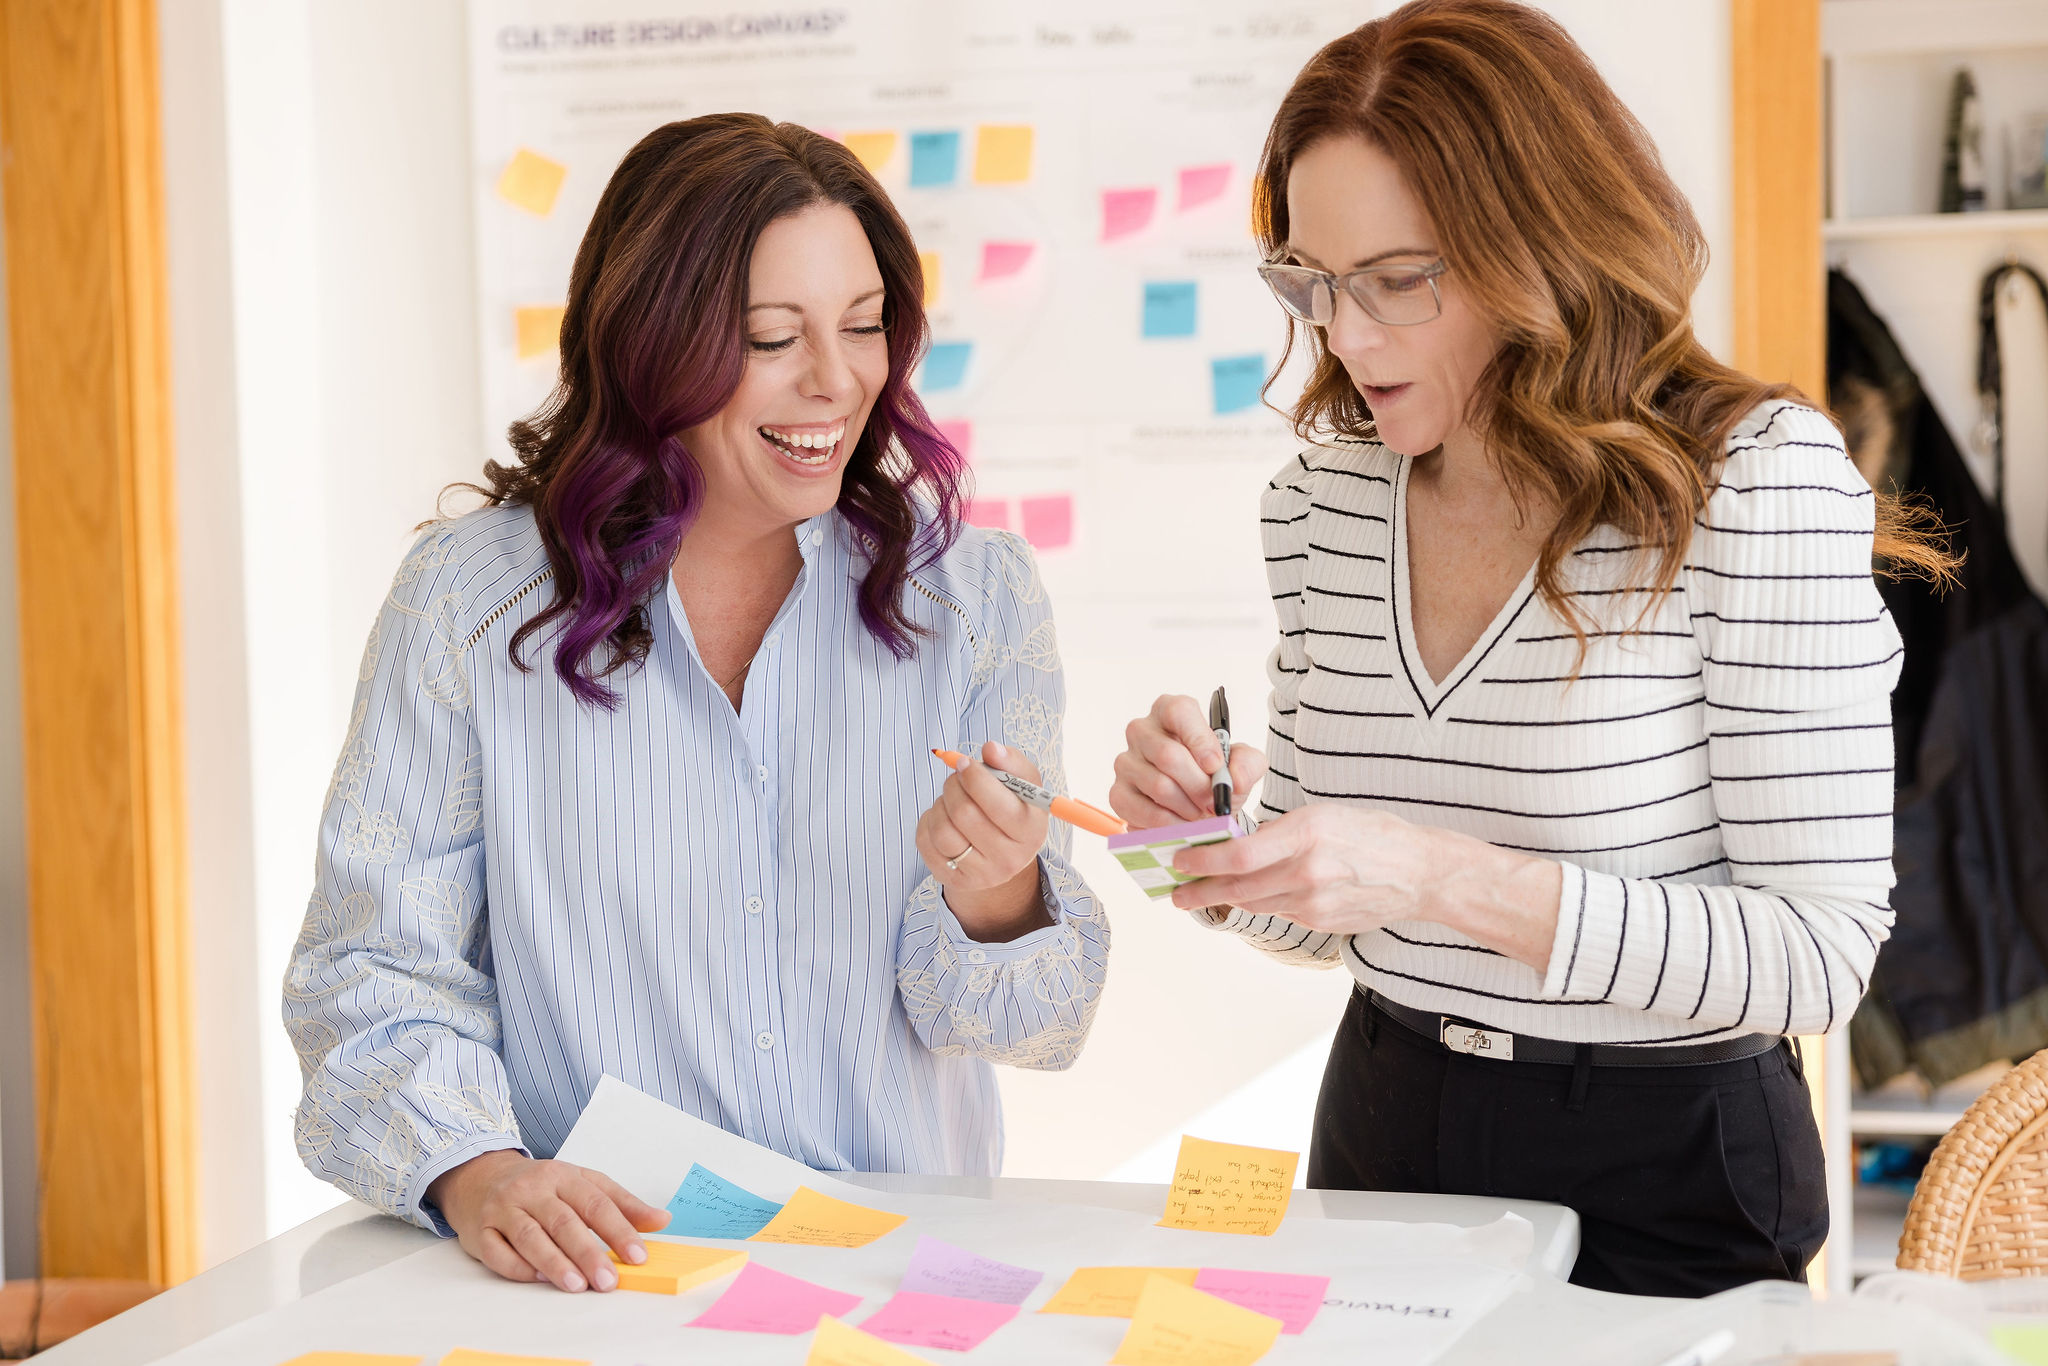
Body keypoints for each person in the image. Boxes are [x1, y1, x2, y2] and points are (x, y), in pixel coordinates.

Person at [1109, 0, 1950, 1297]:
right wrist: (1217, 849)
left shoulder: (1754, 482)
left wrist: (1439, 874)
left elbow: (1818, 954)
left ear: (1542, 245)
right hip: (1384, 1117)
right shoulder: (1325, 499)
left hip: (1671, 1160)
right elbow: (1338, 923)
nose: (1346, 336)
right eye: (1312, 283)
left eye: (1397, 280)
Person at [285, 113, 1107, 1295]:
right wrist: (477, 1170)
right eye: (772, 337)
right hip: (604, 1283)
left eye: (864, 326)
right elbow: (370, 967)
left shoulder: (972, 600)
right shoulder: (468, 605)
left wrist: (997, 893)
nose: (836, 381)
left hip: (891, 1291)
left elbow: (1034, 1026)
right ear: (649, 344)